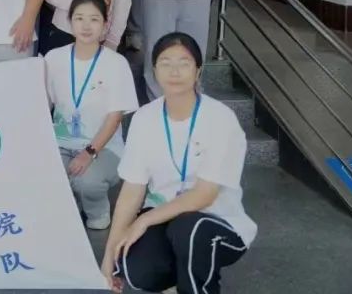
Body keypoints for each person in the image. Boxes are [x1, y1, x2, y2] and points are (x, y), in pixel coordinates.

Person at [103, 32, 255, 294]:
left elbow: (204, 195)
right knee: (136, 268)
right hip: (164, 217)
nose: (174, 71)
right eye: (166, 63)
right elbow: (132, 191)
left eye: (184, 63)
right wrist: (109, 255)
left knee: (189, 229)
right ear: (154, 70)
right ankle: (178, 279)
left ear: (198, 71)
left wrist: (143, 221)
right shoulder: (144, 118)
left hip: (217, 220)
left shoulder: (220, 118)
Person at [45, 0, 138, 230]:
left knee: (86, 180)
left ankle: (98, 212)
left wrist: (89, 152)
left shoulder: (116, 63)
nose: (86, 26)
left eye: (94, 19)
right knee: (43, 175)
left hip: (103, 148)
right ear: (70, 22)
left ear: (105, 25)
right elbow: (44, 104)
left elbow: (114, 117)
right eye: (79, 18)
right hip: (61, 143)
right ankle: (72, 202)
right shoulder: (54, 58)